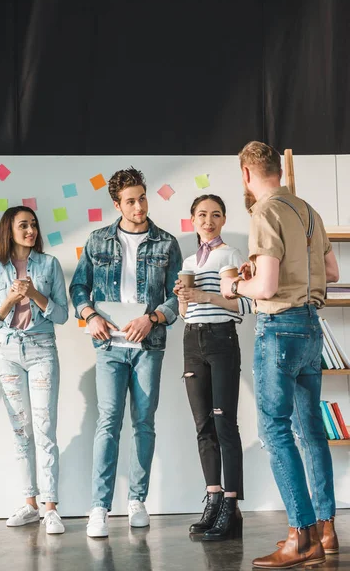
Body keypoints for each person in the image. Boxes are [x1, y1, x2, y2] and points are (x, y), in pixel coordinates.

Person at [220, 141, 340, 568]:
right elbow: (331, 273)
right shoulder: (308, 210)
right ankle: (326, 528)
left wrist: (234, 285)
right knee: (310, 430)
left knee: (274, 430)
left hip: (279, 329)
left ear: (247, 174)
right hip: (311, 327)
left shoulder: (264, 212)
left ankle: (300, 535)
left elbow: (267, 289)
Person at [70, 167, 182, 538]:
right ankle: (100, 507)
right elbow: (79, 288)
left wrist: (152, 318)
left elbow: (176, 297)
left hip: (148, 346)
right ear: (116, 204)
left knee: (144, 423)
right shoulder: (97, 240)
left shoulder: (166, 243)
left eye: (142, 198)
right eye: (130, 201)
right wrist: (89, 316)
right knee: (108, 422)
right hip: (109, 347)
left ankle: (137, 500)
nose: (139, 206)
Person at [0, 206, 68, 534]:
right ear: (9, 230)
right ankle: (29, 503)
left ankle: (50, 508)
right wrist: (8, 301)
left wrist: (34, 294)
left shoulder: (49, 265)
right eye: (24, 225)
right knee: (21, 431)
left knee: (45, 429)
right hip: (7, 353)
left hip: (42, 350)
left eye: (33, 224)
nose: (31, 230)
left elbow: (61, 315)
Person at [174, 195, 251, 541]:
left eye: (216, 214)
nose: (208, 220)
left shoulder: (230, 255)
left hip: (222, 339)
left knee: (224, 424)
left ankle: (231, 508)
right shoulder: (189, 260)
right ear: (192, 219)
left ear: (223, 219)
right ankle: (214, 497)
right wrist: (182, 297)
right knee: (203, 424)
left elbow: (239, 306)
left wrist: (205, 296)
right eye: (202, 215)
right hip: (192, 340)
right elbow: (185, 313)